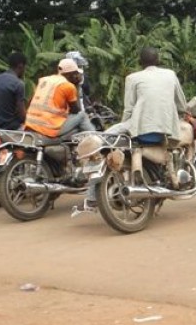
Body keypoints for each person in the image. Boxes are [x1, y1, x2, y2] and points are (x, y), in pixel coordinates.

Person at [76, 47, 188, 213]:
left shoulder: (132, 78)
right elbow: (181, 104)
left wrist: (125, 127)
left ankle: (91, 198)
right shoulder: (170, 74)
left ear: (140, 63)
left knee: (101, 141)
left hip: (139, 130)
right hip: (167, 132)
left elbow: (129, 110)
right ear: (158, 61)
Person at [24, 58, 95, 137]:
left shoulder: (44, 80)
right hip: (48, 128)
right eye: (75, 73)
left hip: (30, 124)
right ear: (70, 74)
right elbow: (75, 111)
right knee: (82, 115)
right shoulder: (68, 86)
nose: (77, 76)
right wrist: (77, 85)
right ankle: (97, 142)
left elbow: (31, 102)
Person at [0, 52, 27, 130]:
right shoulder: (18, 84)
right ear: (21, 66)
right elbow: (22, 115)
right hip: (13, 128)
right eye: (25, 68)